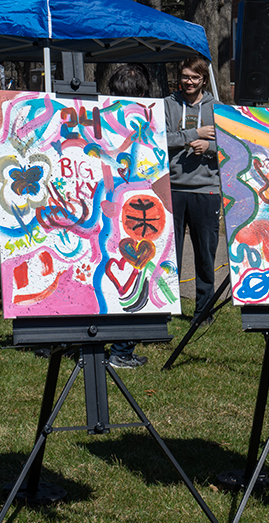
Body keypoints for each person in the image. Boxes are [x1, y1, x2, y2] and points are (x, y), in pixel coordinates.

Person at [164, 56, 222, 325]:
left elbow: (231, 145)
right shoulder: (168, 104)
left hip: (207, 188)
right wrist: (193, 135)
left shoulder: (217, 108)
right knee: (169, 253)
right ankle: (166, 305)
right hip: (172, 187)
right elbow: (159, 137)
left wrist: (208, 147)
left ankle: (204, 310)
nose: (188, 82)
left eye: (194, 78)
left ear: (203, 80)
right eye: (185, 76)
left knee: (205, 253)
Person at [105, 63, 152, 369]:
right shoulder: (146, 123)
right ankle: (121, 350)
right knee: (133, 276)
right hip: (137, 212)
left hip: (107, 209)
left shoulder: (95, 118)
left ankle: (97, 344)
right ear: (143, 93)